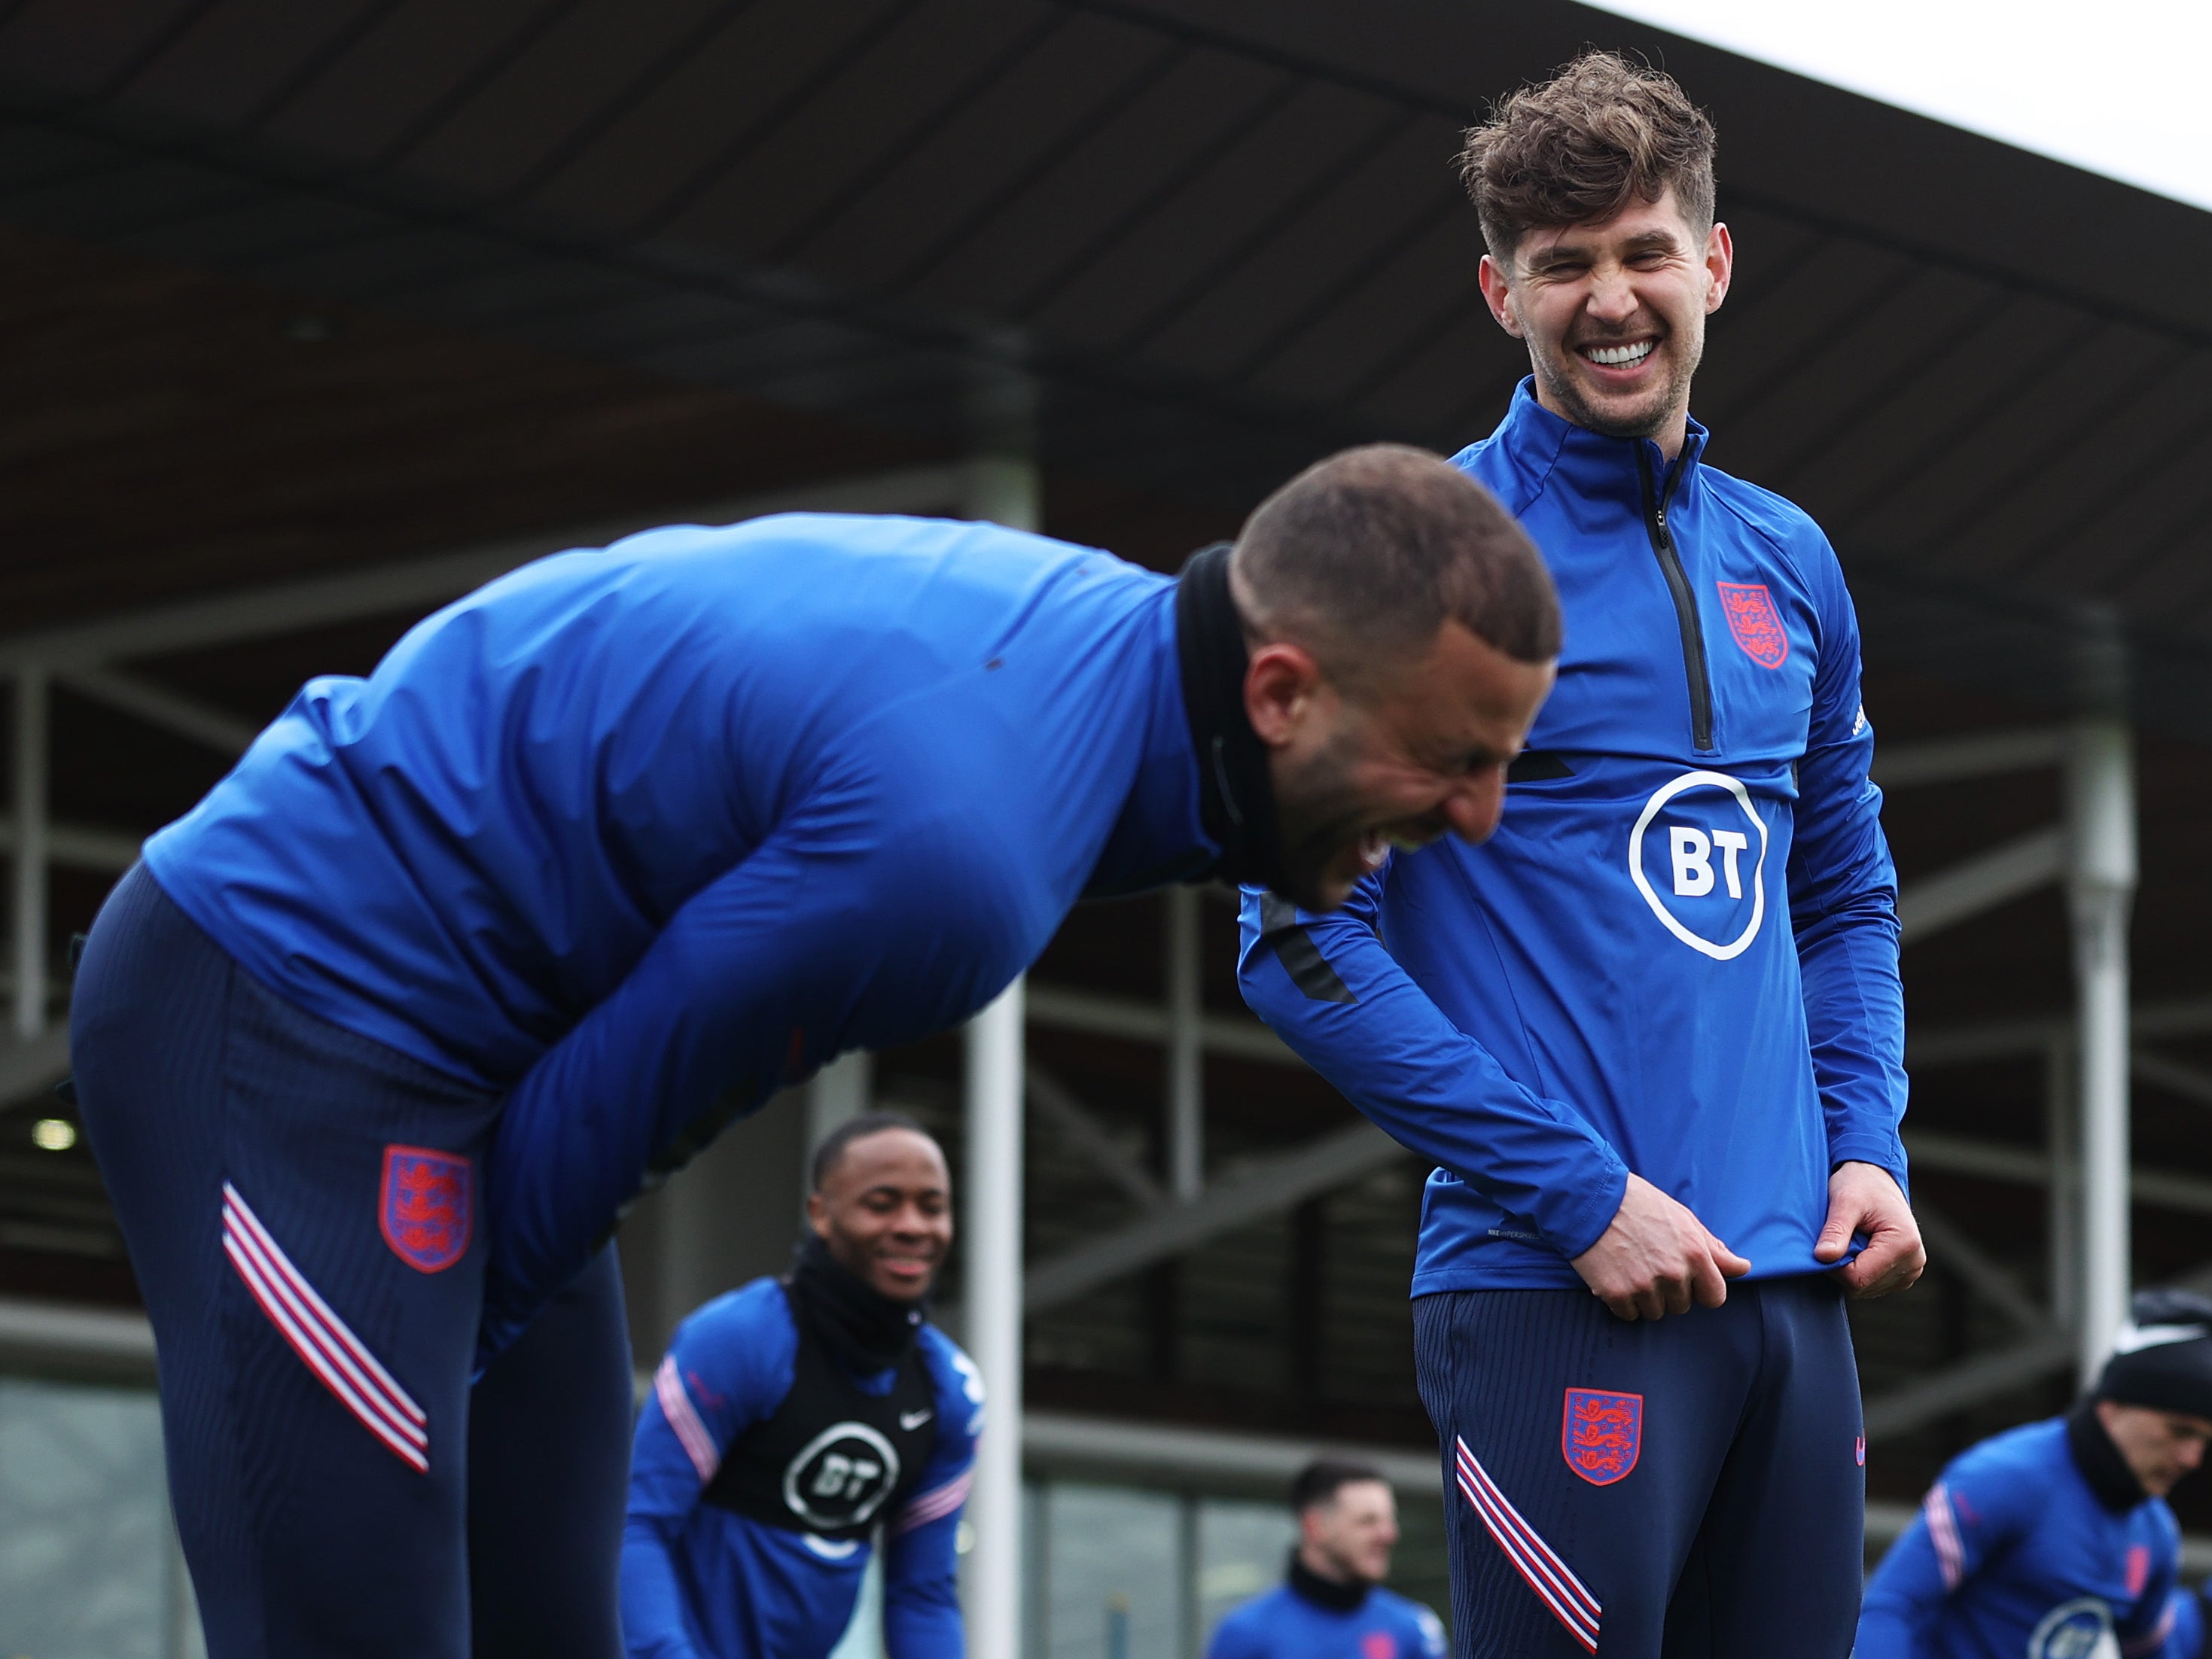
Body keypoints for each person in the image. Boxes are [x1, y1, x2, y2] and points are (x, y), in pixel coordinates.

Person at [69, 441, 1565, 1659]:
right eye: (1455, 759)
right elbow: (601, 1120)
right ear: (1279, 692)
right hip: (286, 996)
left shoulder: (1101, 665)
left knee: (549, 1616)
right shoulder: (956, 860)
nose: (1479, 815)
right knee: (362, 1623)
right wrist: (393, 1413)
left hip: (477, 1051)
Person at [1237, 52, 1922, 1659]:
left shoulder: (1792, 561)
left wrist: (1865, 1142)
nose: (1608, 300)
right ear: (1498, 292)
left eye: (1640, 253)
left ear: (1713, 263)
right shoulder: (1416, 560)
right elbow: (1301, 941)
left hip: (1790, 1295)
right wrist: (1575, 1195)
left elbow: (1837, 894)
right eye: (1561, 267)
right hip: (1555, 1288)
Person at [623, 1113, 978, 1659]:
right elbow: (637, 1526)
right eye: (881, 1203)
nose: (913, 1226)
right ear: (822, 1214)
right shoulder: (740, 1339)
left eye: (933, 1207)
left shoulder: (948, 1393)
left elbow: (922, 1594)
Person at [1857, 1289, 2212, 1658]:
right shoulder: (2004, 1478)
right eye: (2179, 1431)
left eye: (2205, 1441)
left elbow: (2152, 1652)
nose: (2193, 1459)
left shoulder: (2157, 1534)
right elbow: (1894, 1607)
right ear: (2114, 1405)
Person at [1207, 1458, 1446, 1659]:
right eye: (1367, 1521)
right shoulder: (1247, 1634)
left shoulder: (1413, 1629)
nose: (1388, 1535)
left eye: (1389, 1520)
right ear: (1315, 1526)